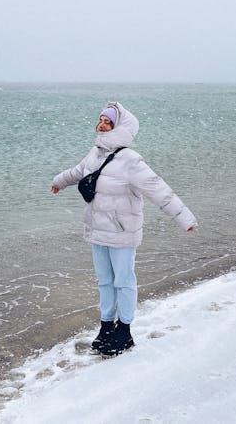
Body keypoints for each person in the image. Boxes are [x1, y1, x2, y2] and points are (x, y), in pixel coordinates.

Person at [51, 101, 197, 357]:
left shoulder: (130, 160)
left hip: (122, 232)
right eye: (101, 120)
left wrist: (185, 218)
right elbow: (77, 172)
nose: (102, 124)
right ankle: (106, 326)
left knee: (124, 281)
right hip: (97, 230)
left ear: (120, 127)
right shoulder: (95, 153)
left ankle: (125, 329)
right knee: (105, 282)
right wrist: (59, 182)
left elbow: (157, 188)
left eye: (108, 121)